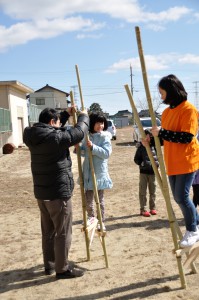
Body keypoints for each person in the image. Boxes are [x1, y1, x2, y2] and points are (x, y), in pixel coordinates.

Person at [23, 107, 89, 279]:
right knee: (63, 232)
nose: (60, 126)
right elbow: (78, 133)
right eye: (58, 122)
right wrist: (83, 116)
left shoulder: (31, 134)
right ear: (52, 122)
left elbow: (57, 131)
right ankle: (62, 269)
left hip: (42, 193)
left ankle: (50, 265)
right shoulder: (55, 137)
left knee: (48, 232)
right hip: (58, 193)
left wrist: (65, 114)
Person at [150, 74, 199, 248]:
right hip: (172, 161)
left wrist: (161, 133)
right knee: (178, 198)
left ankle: (192, 230)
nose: (160, 96)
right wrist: (151, 139)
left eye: (162, 92)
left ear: (171, 91)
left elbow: (186, 137)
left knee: (182, 196)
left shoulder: (189, 110)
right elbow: (166, 139)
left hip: (187, 159)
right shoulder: (166, 113)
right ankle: (197, 224)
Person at [80, 112, 113, 231]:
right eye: (98, 123)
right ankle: (91, 218)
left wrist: (93, 147)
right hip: (88, 173)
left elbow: (106, 153)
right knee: (87, 200)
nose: (101, 125)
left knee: (99, 200)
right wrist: (79, 149)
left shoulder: (105, 137)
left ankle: (101, 221)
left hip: (99, 173)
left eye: (102, 123)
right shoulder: (87, 136)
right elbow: (84, 152)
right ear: (92, 124)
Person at [134, 129, 159, 217]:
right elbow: (136, 159)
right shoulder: (140, 148)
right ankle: (143, 209)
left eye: (147, 136)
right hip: (143, 172)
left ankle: (152, 208)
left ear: (150, 137)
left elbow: (158, 157)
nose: (145, 138)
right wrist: (142, 163)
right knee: (143, 191)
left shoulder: (154, 146)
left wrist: (157, 164)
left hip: (153, 172)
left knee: (153, 191)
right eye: (143, 137)